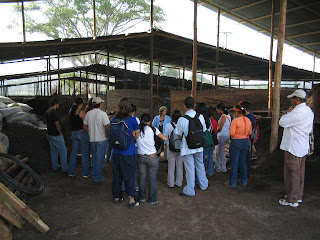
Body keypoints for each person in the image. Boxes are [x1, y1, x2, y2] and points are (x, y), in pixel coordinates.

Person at [278, 89, 314, 208]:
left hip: (293, 146)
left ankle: (291, 198)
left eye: (292, 99)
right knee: (299, 172)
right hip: (302, 145)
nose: (291, 101)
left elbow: (282, 122)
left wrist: (287, 113)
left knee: (291, 172)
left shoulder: (297, 112)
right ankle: (298, 196)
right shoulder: (308, 111)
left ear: (297, 100)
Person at [175, 97, 208, 196]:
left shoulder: (182, 119)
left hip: (187, 147)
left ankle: (190, 190)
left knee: (190, 169)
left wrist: (186, 140)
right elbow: (204, 130)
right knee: (200, 165)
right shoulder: (200, 116)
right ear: (194, 105)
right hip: (199, 146)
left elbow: (179, 135)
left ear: (184, 106)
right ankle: (204, 184)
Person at [111, 97, 140, 209]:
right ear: (129, 107)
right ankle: (132, 199)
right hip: (128, 152)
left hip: (116, 152)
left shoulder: (113, 119)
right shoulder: (132, 120)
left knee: (117, 175)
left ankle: (117, 197)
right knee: (129, 176)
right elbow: (136, 135)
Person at [136, 113, 167, 204]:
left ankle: (142, 197)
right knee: (152, 178)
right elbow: (165, 138)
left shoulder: (137, 129)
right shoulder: (153, 129)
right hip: (152, 157)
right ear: (150, 121)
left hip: (141, 156)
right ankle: (153, 199)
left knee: (141, 178)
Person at [83, 97, 110, 182]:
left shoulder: (88, 114)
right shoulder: (103, 114)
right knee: (100, 158)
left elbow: (84, 126)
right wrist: (107, 135)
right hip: (101, 139)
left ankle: (94, 173)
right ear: (100, 104)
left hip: (92, 139)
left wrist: (90, 132)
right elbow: (107, 126)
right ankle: (98, 176)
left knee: (94, 157)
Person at [228, 105, 252, 187]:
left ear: (238, 112)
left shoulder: (235, 121)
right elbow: (250, 132)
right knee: (243, 161)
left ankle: (233, 182)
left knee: (234, 162)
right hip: (245, 141)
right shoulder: (248, 120)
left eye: (235, 111)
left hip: (236, 141)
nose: (234, 113)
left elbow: (231, 133)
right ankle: (244, 181)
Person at [68, 97, 90, 178]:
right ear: (81, 104)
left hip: (74, 134)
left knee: (73, 153)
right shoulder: (81, 112)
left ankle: (71, 172)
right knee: (85, 153)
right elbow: (85, 125)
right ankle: (85, 173)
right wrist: (89, 132)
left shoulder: (71, 111)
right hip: (82, 133)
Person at [46, 98, 69, 172]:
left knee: (54, 151)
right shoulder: (54, 112)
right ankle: (64, 168)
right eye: (58, 104)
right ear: (56, 104)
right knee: (63, 150)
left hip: (50, 134)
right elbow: (57, 124)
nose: (59, 105)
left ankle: (55, 166)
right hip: (56, 134)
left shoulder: (48, 111)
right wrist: (60, 132)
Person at [164, 110, 183, 188]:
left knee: (171, 166)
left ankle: (171, 183)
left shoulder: (168, 125)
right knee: (180, 166)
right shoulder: (182, 125)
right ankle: (179, 183)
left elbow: (165, 137)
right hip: (181, 148)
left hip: (171, 148)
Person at [196, 102, 215, 176]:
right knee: (210, 156)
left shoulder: (198, 118)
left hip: (202, 141)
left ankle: (201, 174)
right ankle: (210, 172)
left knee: (201, 159)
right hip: (209, 140)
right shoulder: (208, 118)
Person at [239, 100, 256, 178]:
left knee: (243, 157)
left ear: (244, 109)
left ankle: (244, 174)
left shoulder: (247, 118)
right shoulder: (251, 116)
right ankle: (245, 173)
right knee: (246, 157)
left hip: (244, 139)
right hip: (247, 139)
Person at [215, 103, 231, 173]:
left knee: (221, 152)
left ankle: (222, 167)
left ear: (219, 109)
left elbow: (220, 128)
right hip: (227, 134)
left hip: (222, 135)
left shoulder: (223, 117)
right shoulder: (228, 116)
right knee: (218, 151)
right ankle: (217, 166)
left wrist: (215, 130)